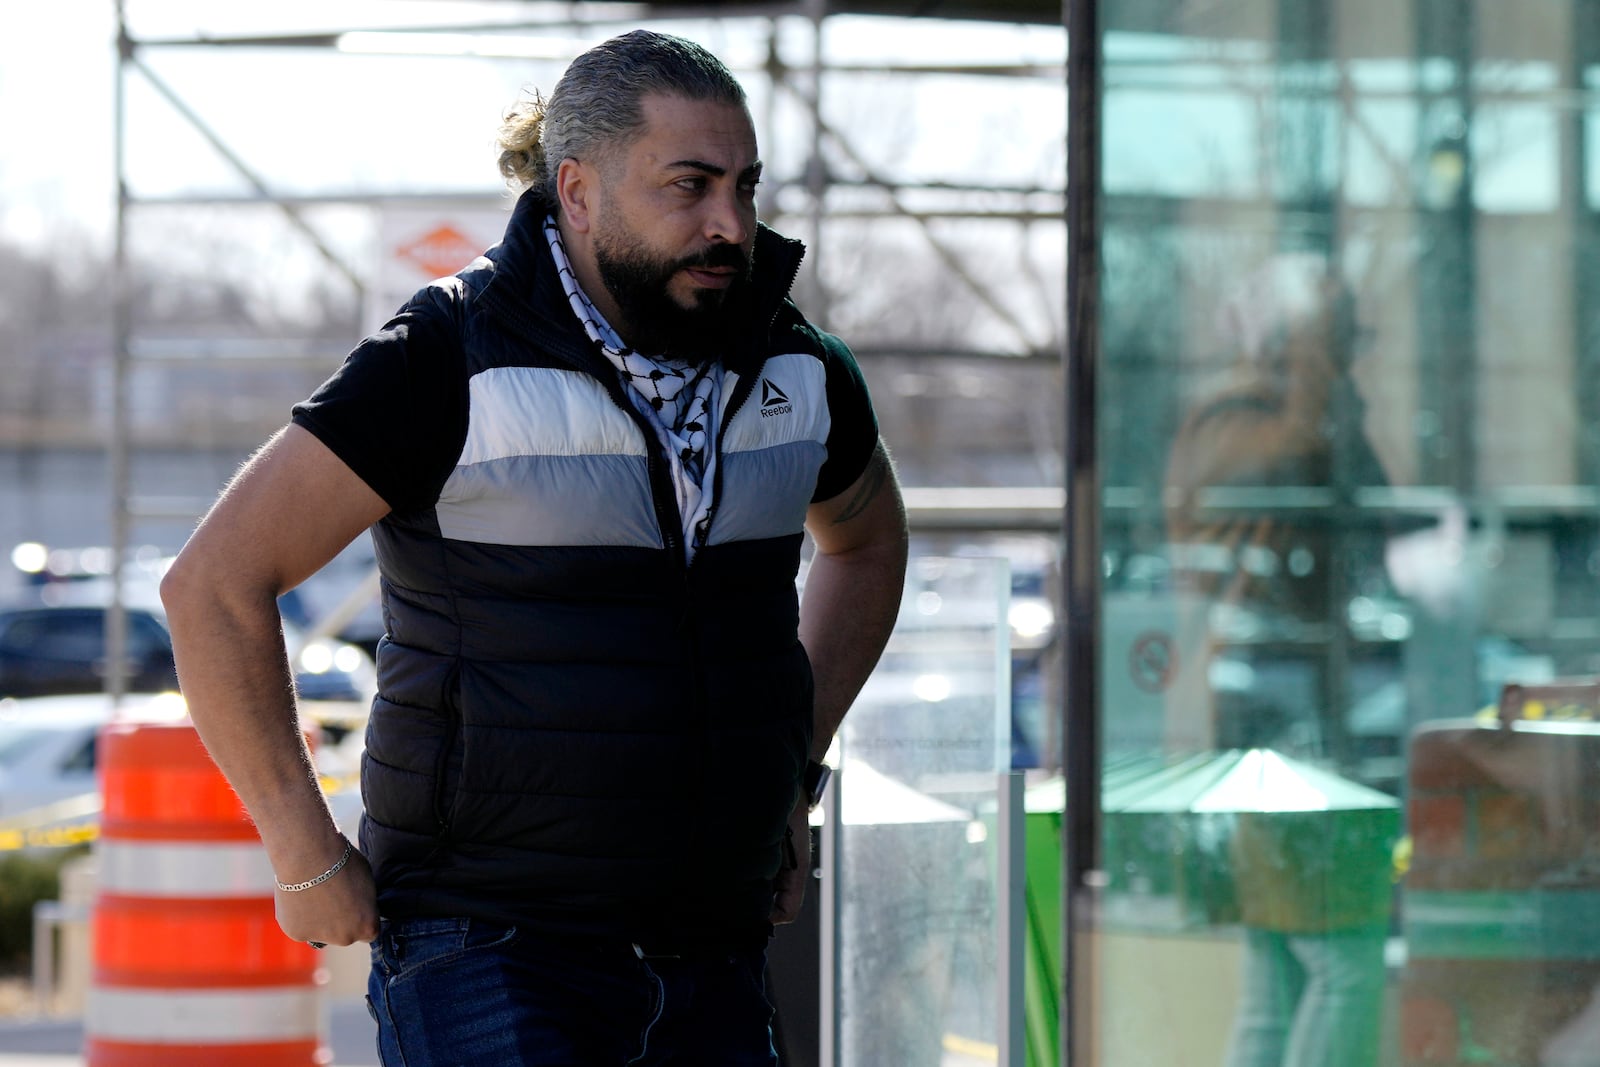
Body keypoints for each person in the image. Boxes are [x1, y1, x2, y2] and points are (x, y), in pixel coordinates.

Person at [159, 29, 908, 1067]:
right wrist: (301, 848)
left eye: (743, 185)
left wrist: (794, 772)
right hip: (490, 943)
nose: (729, 222)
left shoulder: (799, 363)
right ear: (579, 190)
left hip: (717, 941)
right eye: (688, 185)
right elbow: (212, 584)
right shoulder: (443, 356)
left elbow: (866, 544)